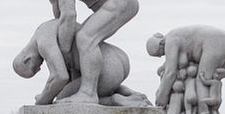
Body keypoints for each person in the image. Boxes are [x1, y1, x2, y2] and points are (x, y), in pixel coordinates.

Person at [18, 0, 140, 103]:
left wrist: (64, 52)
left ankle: (88, 93)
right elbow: (59, 20)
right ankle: (117, 92)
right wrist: (67, 57)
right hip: (108, 4)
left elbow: (69, 15)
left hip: (120, 0)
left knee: (85, 38)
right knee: (81, 40)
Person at [13, 18, 150, 106]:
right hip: (119, 58)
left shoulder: (43, 42)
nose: (39, 69)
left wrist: (42, 100)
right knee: (88, 84)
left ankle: (117, 100)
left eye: (34, 69)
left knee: (61, 99)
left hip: (106, 70)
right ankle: (131, 94)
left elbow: (60, 77)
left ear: (27, 59)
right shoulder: (46, 26)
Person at [146, 25, 225, 109]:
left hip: (215, 42)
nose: (163, 55)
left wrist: (161, 98)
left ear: (161, 43)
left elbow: (170, 73)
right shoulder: (175, 36)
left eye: (159, 53)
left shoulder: (170, 40)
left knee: (202, 80)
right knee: (213, 81)